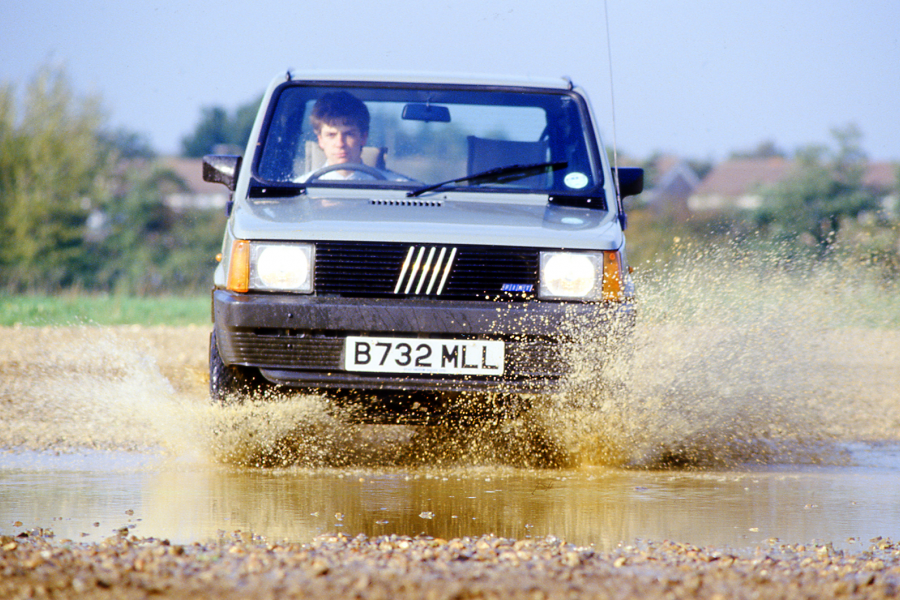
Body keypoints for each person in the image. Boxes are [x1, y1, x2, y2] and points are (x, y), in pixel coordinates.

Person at [297, 91, 405, 182]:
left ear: (363, 137)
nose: (340, 144)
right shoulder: (299, 189)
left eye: (348, 134)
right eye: (331, 135)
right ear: (320, 140)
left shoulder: (399, 188)